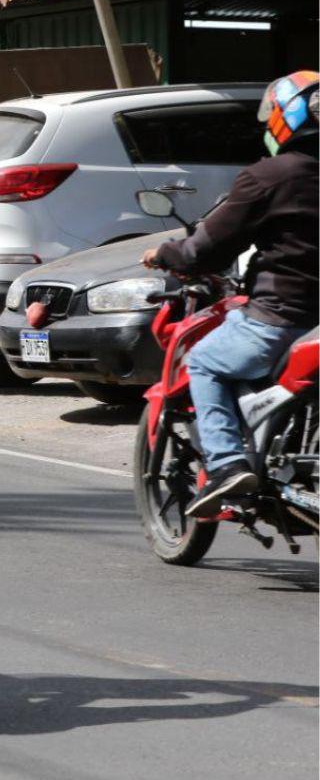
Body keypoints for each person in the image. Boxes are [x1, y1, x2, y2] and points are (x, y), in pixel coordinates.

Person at [142, 70, 319, 518]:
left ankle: (226, 467)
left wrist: (168, 252)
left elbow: (209, 247)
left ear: (287, 117)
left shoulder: (270, 176)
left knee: (205, 362)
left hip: (283, 317)